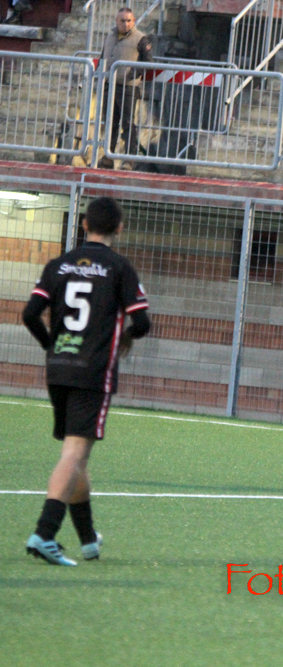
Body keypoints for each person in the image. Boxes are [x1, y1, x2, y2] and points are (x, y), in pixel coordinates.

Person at [22, 197, 151, 566]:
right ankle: (44, 534)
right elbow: (142, 323)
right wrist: (127, 336)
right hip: (92, 370)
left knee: (76, 454)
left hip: (59, 367)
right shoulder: (119, 268)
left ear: (83, 224)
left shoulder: (58, 265)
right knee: (74, 454)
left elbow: (30, 314)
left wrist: (51, 345)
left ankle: (88, 539)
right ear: (119, 228)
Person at [97, 8, 153, 170]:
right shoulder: (110, 37)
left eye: (129, 20)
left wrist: (132, 75)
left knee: (128, 123)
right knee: (110, 122)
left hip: (128, 88)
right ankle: (108, 156)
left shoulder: (141, 38)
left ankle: (129, 159)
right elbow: (102, 58)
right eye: (122, 21)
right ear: (116, 21)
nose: (126, 24)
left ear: (134, 21)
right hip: (110, 85)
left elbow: (148, 62)